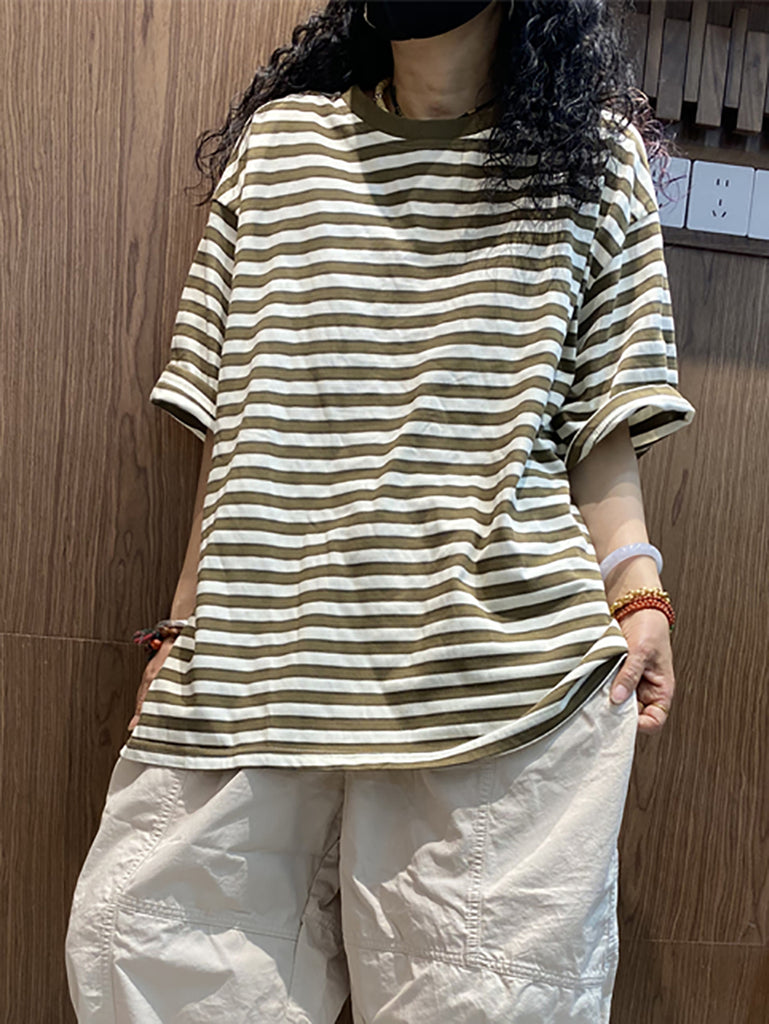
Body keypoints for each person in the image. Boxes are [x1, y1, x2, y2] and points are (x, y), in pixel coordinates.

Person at [65, 1, 696, 1021]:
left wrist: (639, 592)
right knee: (148, 957)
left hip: (505, 683)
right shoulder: (279, 151)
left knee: (484, 1003)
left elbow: (602, 425)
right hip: (263, 663)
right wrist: (181, 631)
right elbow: (229, 423)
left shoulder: (593, 164)